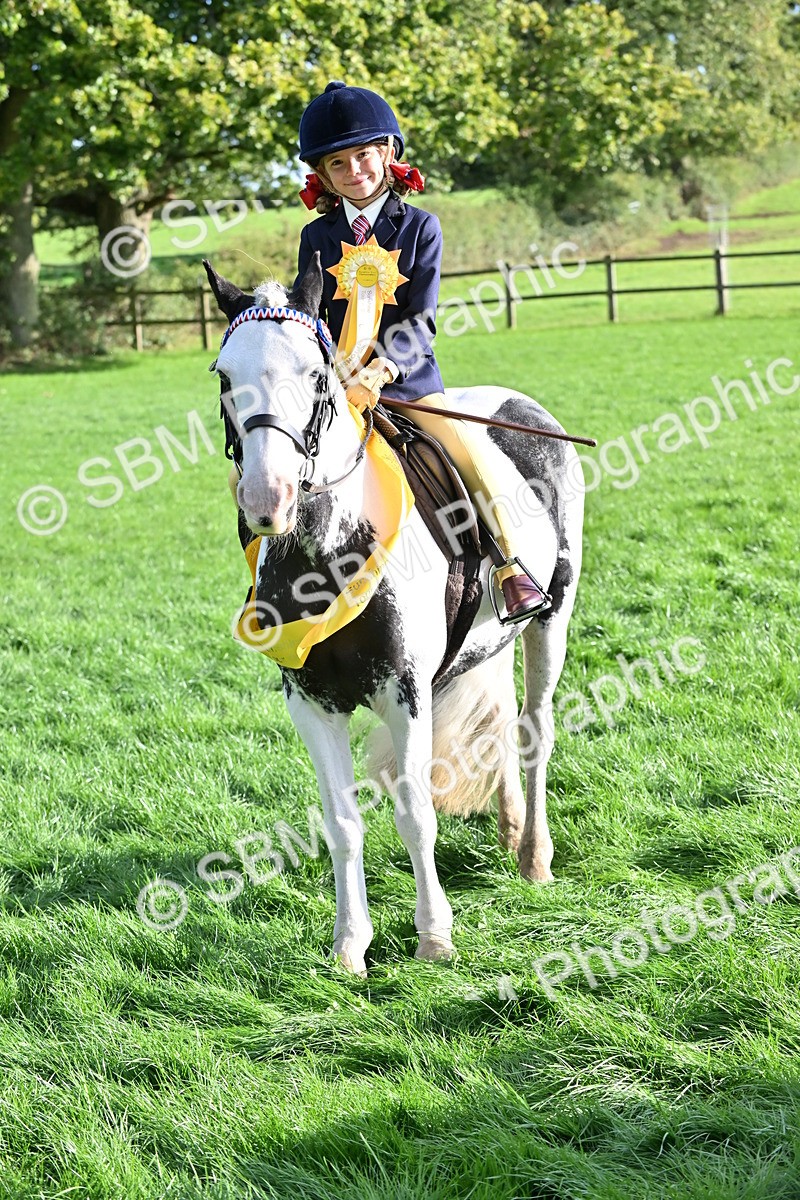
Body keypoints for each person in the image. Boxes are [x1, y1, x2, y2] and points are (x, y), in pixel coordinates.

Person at [293, 80, 550, 623]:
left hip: (405, 384)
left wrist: (381, 371)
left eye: (364, 155)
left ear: (388, 153)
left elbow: (420, 320)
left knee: (463, 448)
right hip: (335, 388)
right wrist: (331, 373)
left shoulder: (418, 228)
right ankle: (277, 577)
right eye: (338, 163)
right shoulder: (315, 237)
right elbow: (310, 313)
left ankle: (510, 564)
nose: (355, 170)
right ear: (323, 176)